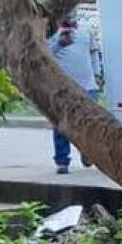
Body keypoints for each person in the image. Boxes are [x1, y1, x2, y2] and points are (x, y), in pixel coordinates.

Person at [47, 16, 101, 174]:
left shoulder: (85, 30)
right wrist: (59, 44)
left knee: (89, 124)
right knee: (61, 125)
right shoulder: (52, 32)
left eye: (73, 10)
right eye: (66, 10)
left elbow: (93, 52)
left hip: (88, 86)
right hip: (62, 88)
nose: (70, 13)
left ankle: (87, 152)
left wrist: (97, 73)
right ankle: (62, 161)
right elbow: (45, 54)